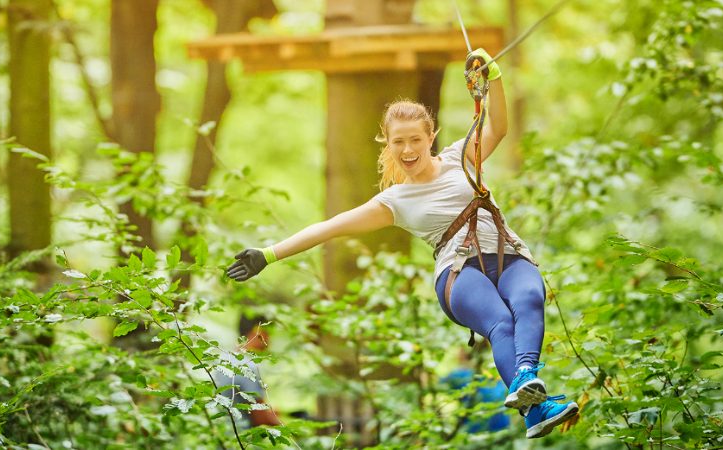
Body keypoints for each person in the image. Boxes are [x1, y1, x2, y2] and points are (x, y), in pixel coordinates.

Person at [226, 48, 578, 439]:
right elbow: (329, 227)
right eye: (399, 142)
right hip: (460, 274)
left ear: (431, 137)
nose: (408, 150)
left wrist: (492, 78)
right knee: (500, 322)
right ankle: (530, 395)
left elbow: (497, 127)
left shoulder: (462, 157)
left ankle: (530, 394)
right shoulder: (394, 202)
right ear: (388, 144)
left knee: (529, 299)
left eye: (415, 140)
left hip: (508, 255)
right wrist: (269, 254)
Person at [213, 314, 281, 429]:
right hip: (242, 440)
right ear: (258, 332)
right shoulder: (249, 367)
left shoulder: (223, 360)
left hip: (221, 436)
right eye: (268, 333)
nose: (269, 340)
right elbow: (260, 418)